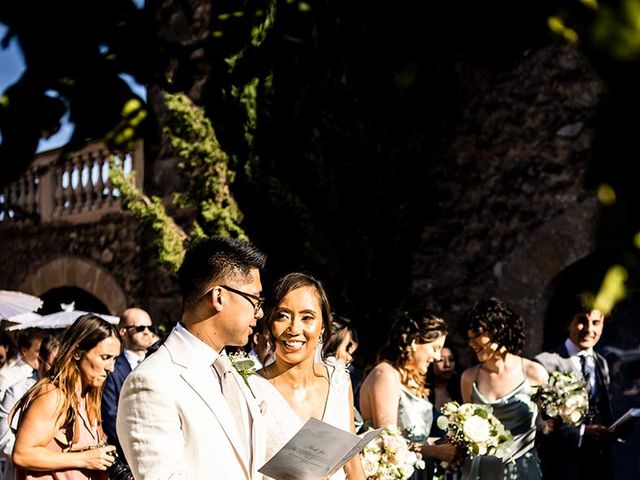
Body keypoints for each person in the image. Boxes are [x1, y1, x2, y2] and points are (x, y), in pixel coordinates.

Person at [116, 236, 268, 480]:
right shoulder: (151, 383)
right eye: (255, 299)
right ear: (219, 297)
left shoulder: (230, 371)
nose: (259, 312)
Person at [248, 272, 366, 480]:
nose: (294, 328)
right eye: (282, 315)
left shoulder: (339, 381)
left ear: (322, 327)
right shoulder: (250, 389)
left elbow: (353, 464)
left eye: (307, 317)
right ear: (269, 324)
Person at [11, 314, 121, 480]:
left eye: (115, 359)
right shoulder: (53, 395)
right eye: (105, 358)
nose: (111, 368)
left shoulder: (87, 395)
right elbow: (22, 454)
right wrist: (85, 459)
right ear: (77, 352)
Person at [358, 311, 457, 479]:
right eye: (435, 348)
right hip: (395, 473)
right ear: (414, 341)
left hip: (419, 470)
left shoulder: (413, 380)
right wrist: (435, 451)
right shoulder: (386, 374)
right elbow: (389, 441)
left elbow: (415, 437)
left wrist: (443, 444)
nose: (437, 357)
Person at [460, 298, 548, 480]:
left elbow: (546, 427)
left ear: (498, 330)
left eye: (477, 335)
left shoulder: (533, 373)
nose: (472, 343)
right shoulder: (469, 378)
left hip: (523, 468)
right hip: (481, 471)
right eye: (469, 338)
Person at [535, 294, 615, 480]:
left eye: (596, 323)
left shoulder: (601, 363)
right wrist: (581, 432)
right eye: (582, 321)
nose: (589, 329)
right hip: (562, 466)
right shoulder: (546, 363)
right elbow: (539, 422)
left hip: (599, 465)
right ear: (568, 323)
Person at [0, 332, 61, 480]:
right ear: (40, 361)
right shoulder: (17, 391)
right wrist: (39, 457)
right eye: (53, 365)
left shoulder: (69, 393)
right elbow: (4, 438)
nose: (58, 371)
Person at [101, 308, 155, 458]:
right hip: (127, 452)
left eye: (151, 328)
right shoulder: (112, 369)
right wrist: (136, 448)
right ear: (123, 332)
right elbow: (111, 415)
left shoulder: (158, 363)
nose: (147, 332)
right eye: (140, 328)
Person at [0, 329, 45, 401]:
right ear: (24, 351)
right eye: (38, 351)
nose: (42, 356)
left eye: (44, 351)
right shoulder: (6, 375)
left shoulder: (41, 370)